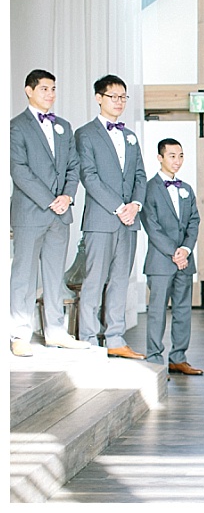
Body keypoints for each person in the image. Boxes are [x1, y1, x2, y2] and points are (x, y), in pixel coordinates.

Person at [9, 69, 89, 356]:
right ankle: (19, 334)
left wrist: (67, 196)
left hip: (60, 213)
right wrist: (50, 200)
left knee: (55, 275)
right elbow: (19, 170)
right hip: (30, 213)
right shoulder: (16, 126)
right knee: (24, 274)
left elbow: (73, 165)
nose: (50, 94)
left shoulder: (64, 127)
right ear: (29, 91)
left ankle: (56, 331)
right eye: (44, 89)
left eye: (53, 89)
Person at [76, 74, 147, 359]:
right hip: (101, 220)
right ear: (98, 98)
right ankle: (89, 340)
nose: (118, 102)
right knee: (94, 281)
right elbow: (88, 177)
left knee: (121, 280)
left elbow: (140, 175)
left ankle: (115, 338)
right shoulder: (85, 133)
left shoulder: (130, 136)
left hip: (129, 222)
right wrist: (120, 207)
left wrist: (136, 205)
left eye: (123, 97)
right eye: (113, 96)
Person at [140, 138, 203, 375]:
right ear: (160, 158)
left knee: (183, 310)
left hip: (184, 262)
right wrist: (173, 253)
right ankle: (155, 360)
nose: (177, 161)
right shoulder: (148, 188)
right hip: (160, 262)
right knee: (157, 312)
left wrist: (185, 250)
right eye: (172, 156)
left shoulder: (186, 189)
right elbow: (151, 226)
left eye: (180, 156)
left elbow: (194, 222)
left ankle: (178, 357)